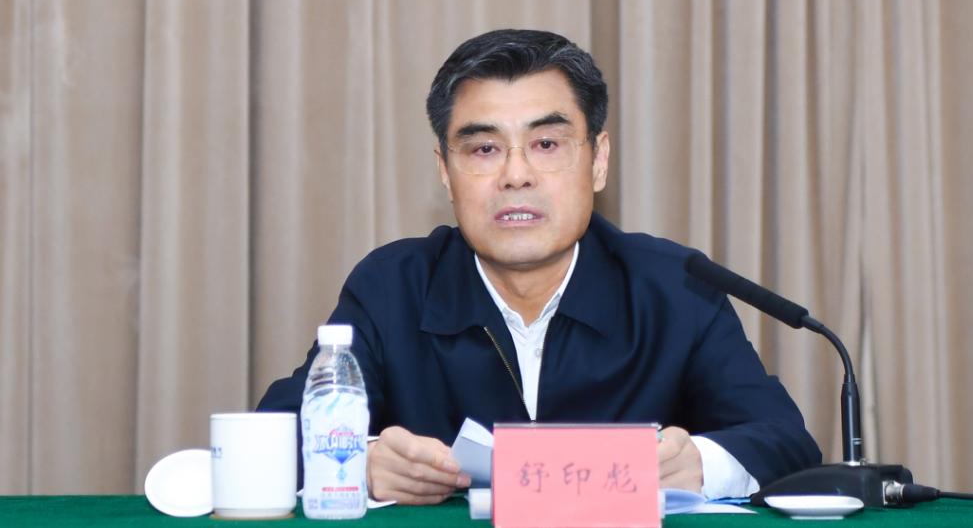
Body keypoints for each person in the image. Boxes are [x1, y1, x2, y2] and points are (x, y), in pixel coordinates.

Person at [257, 29, 821, 505]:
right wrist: (359, 460)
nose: (516, 175)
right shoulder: (392, 287)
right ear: (445, 172)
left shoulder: (674, 287)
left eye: (547, 144)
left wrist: (698, 461)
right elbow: (271, 437)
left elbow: (786, 441)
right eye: (484, 149)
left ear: (598, 160)